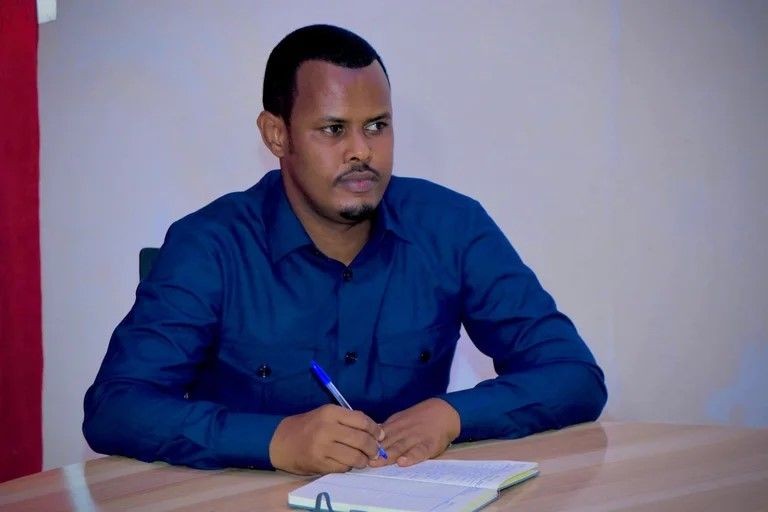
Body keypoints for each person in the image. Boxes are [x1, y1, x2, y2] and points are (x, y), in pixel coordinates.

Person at [83, 24, 607, 476]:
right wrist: (273, 441)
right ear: (276, 134)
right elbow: (115, 407)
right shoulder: (209, 245)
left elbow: (574, 375)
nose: (361, 151)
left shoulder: (452, 226)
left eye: (377, 126)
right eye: (333, 129)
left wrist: (453, 416)